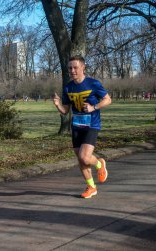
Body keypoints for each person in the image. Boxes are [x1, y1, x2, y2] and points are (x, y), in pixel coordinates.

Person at [53, 55, 112, 199]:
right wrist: (57, 105)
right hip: (77, 125)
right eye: (70, 68)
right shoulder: (68, 87)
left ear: (83, 67)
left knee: (84, 157)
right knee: (81, 159)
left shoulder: (93, 83)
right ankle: (91, 187)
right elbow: (66, 111)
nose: (72, 71)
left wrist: (94, 107)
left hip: (92, 124)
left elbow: (108, 99)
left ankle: (99, 163)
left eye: (75, 67)